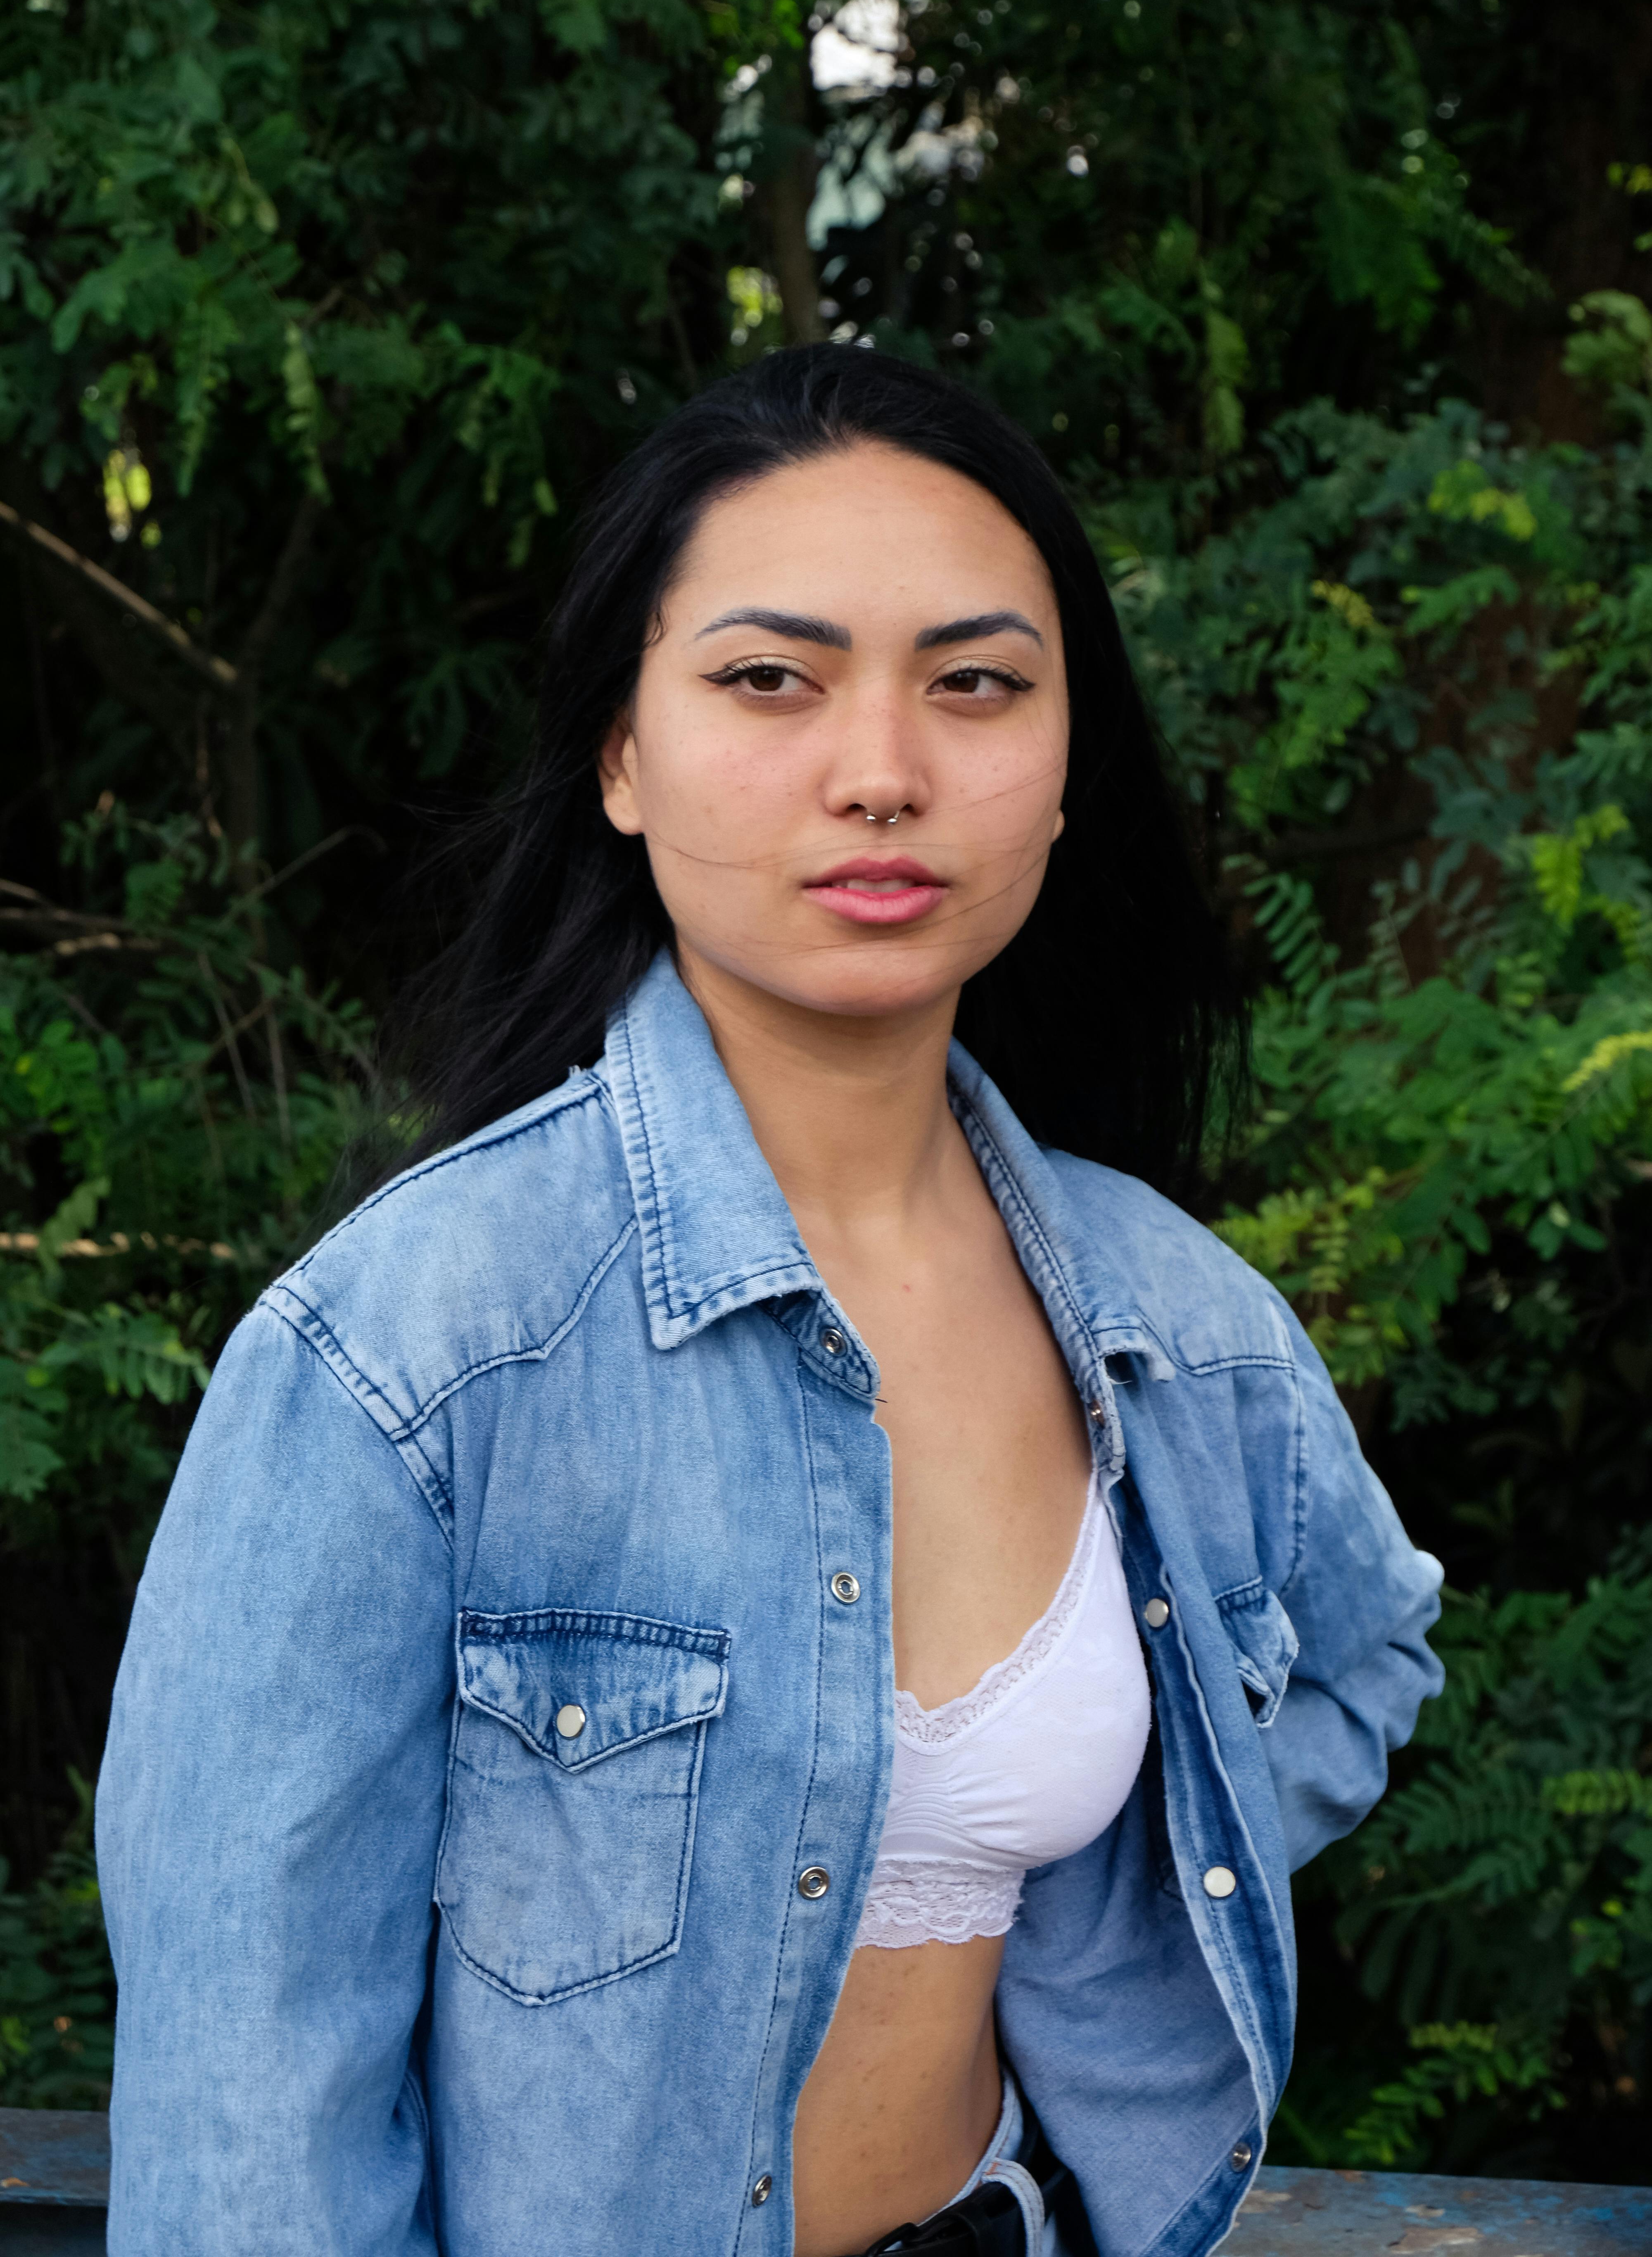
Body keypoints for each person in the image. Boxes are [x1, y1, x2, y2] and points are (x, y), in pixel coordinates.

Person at [96, 346, 1443, 2257]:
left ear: (1066, 774)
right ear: (620, 755)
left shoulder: (1177, 1322)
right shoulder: (407, 1354)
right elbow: (250, 2133)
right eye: (767, 680)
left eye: (977, 684)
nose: (883, 770)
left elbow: (1363, 1657)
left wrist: (1100, 1911)